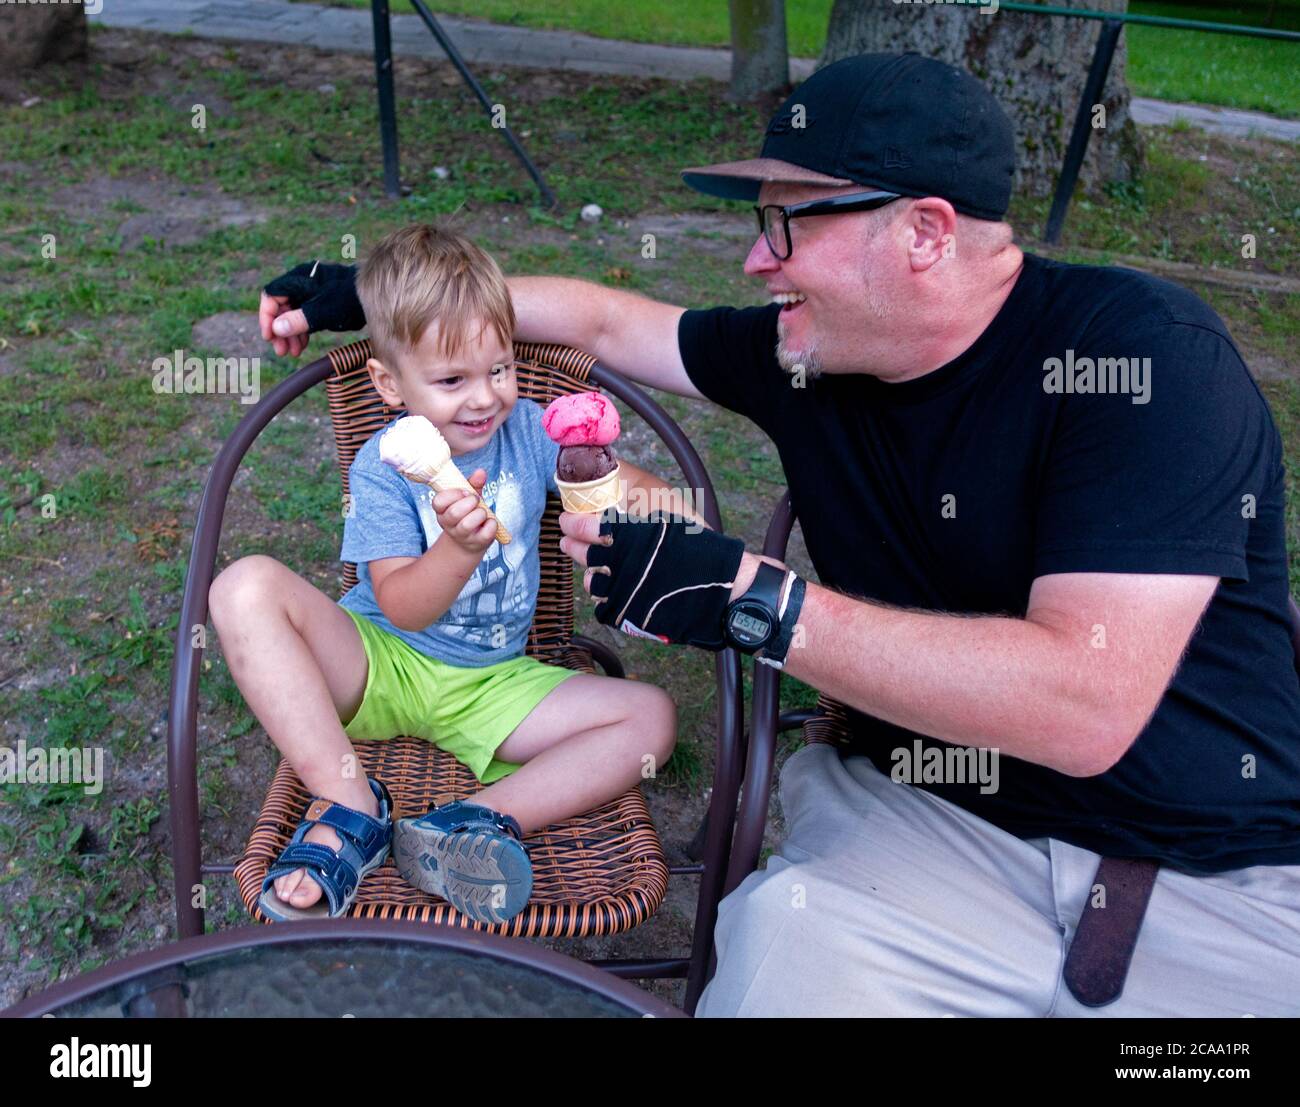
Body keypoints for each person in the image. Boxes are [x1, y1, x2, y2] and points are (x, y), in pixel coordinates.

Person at [258, 55, 1300, 1015]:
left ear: (926, 233)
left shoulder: (1140, 363)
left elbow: (1084, 707)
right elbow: (609, 322)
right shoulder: (805, 354)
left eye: (786, 226)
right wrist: (380, 301)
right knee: (782, 969)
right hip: (929, 837)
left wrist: (757, 603)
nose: (756, 261)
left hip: (1217, 883)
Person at [219, 224, 679, 926]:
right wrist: (459, 550)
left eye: (499, 369)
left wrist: (606, 472)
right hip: (380, 661)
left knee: (650, 716)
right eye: (452, 379)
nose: (484, 398)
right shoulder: (385, 465)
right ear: (390, 385)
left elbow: (652, 502)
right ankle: (349, 800)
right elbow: (401, 604)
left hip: (495, 681)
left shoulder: (527, 431)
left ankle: (468, 826)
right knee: (242, 586)